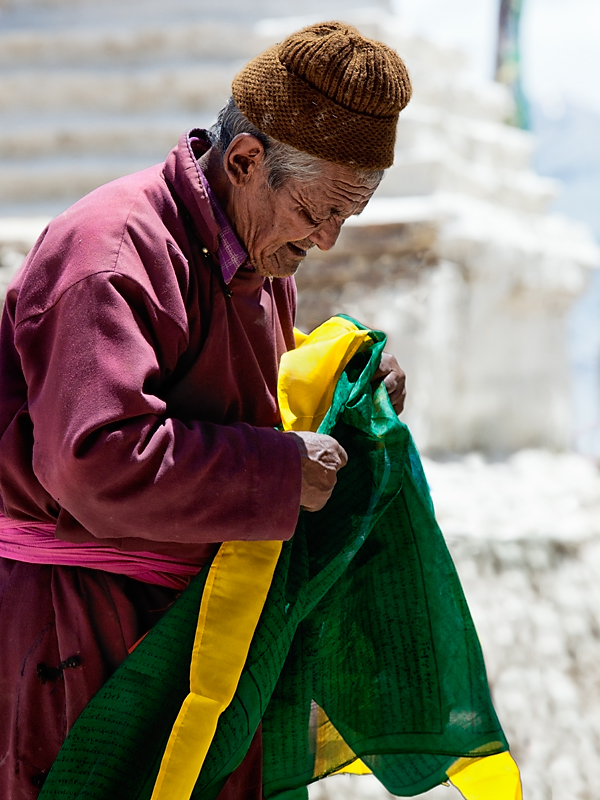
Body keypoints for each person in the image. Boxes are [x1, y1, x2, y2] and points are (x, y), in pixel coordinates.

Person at [0, 21, 411, 800]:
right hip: (82, 630)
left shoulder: (252, 247)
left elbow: (228, 379)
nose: (325, 242)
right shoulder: (112, 255)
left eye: (345, 220)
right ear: (247, 159)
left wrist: (348, 374)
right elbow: (94, 461)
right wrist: (278, 472)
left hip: (192, 622)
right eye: (316, 213)